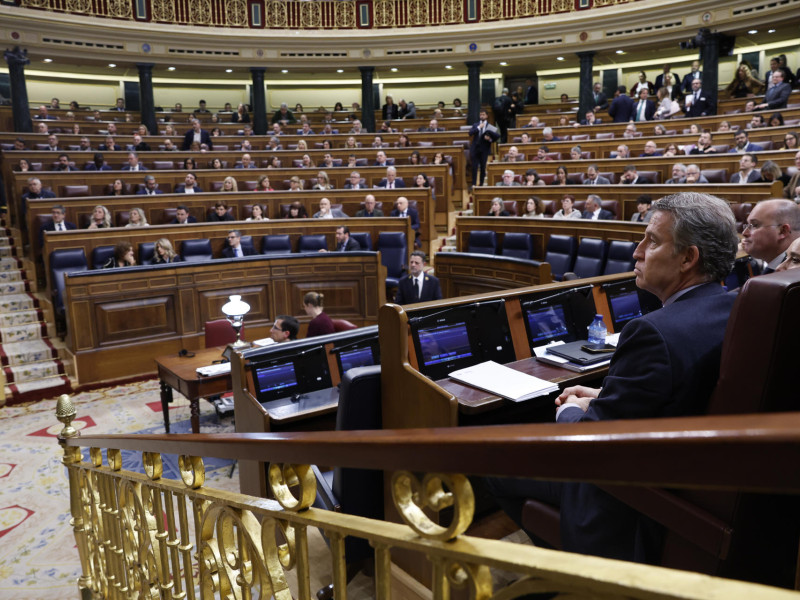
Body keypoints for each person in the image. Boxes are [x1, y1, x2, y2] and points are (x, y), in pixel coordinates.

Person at [488, 191, 739, 564]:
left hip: (628, 502)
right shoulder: (734, 306)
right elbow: (674, 395)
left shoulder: (653, 333)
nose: (636, 252)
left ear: (688, 258)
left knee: (495, 461)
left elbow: (593, 444)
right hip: (685, 472)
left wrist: (571, 411)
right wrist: (602, 395)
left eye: (651, 241)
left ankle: (568, 572)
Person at [741, 199, 800, 273]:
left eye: (755, 225)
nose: (744, 233)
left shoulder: (793, 273)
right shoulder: (773, 265)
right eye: (747, 225)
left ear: (782, 231)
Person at [469, 109, 499, 187]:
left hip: (484, 149)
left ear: (486, 116)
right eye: (480, 114)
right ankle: (474, 184)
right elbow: (470, 133)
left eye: (483, 114)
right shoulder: (476, 125)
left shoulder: (490, 126)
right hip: (475, 148)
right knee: (474, 167)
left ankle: (481, 184)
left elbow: (495, 138)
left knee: (483, 167)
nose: (481, 116)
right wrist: (479, 127)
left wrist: (490, 139)